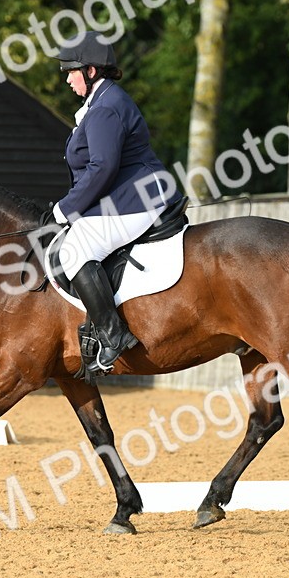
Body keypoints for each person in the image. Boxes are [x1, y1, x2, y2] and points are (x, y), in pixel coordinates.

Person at [49, 31, 182, 380]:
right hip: (128, 196)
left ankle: (114, 334)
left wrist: (67, 208)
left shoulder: (107, 107)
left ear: (91, 71)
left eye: (71, 70)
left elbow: (102, 167)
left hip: (138, 198)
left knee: (75, 249)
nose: (67, 77)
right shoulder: (101, 102)